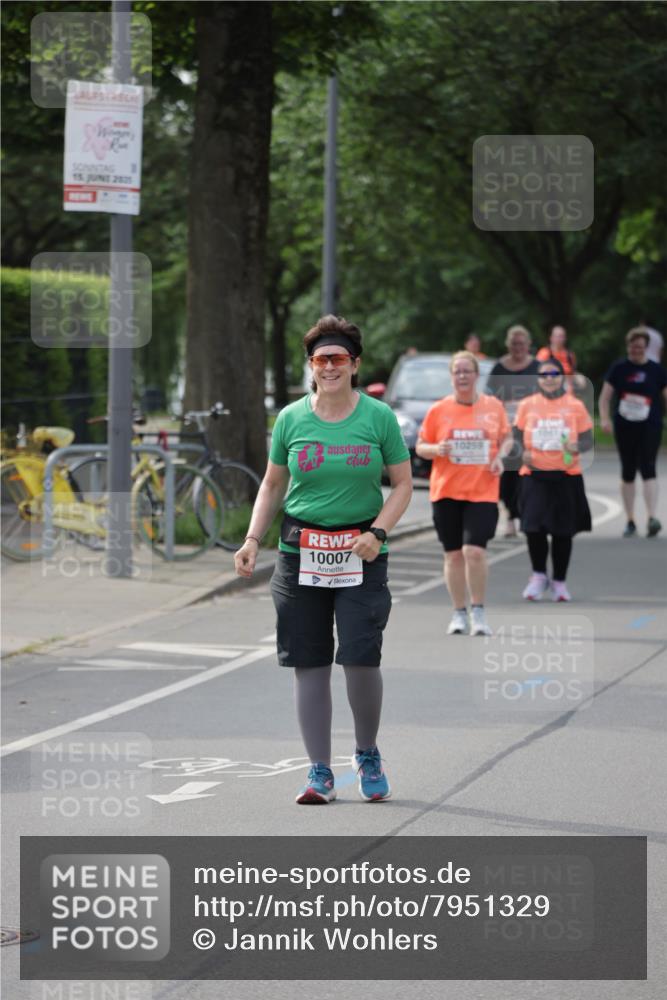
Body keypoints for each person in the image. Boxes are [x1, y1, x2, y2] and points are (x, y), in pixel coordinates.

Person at [234, 315, 412, 805]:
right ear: (311, 367)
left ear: (354, 365)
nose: (328, 368)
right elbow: (273, 484)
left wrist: (378, 532)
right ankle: (319, 773)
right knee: (308, 663)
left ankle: (367, 754)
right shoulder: (291, 419)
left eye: (337, 359)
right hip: (300, 554)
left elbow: (402, 485)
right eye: (319, 360)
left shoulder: (377, 418)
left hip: (361, 552)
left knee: (359, 657)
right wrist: (252, 540)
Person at [415, 350, 512, 636]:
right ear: (451, 377)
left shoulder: (493, 407)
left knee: (474, 552)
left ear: (476, 375)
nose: (462, 376)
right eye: (457, 371)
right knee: (454, 555)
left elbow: (506, 438)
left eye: (467, 371)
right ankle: (459, 613)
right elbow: (421, 446)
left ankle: (478, 611)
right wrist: (437, 449)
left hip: (482, 491)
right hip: (446, 491)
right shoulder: (439, 409)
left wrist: (500, 457)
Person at [515, 357, 593, 601]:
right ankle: (538, 576)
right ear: (538, 379)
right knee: (533, 529)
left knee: (563, 532)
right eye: (544, 375)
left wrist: (576, 445)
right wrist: (521, 452)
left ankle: (559, 581)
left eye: (554, 374)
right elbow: (516, 437)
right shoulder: (527, 404)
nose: (549, 379)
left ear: (562, 377)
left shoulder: (574, 405)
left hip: (566, 476)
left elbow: (588, 439)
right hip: (534, 475)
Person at [599, 327, 667, 538]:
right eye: (632, 346)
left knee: (648, 467)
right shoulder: (619, 368)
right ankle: (630, 519)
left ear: (646, 348)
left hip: (650, 424)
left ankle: (652, 517)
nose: (636, 350)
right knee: (628, 470)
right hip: (625, 424)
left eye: (640, 347)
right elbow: (605, 398)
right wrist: (604, 418)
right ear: (628, 347)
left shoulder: (656, 370)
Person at [486, 325, 540, 537]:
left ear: (528, 345)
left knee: (527, 474)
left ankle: (525, 515)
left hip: (531, 430)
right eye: (514, 344)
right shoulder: (499, 368)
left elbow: (547, 393)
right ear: (509, 345)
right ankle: (511, 516)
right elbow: (489, 396)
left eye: (522, 344)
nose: (518, 348)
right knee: (508, 475)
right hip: (505, 429)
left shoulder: (537, 367)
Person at [536, 325, 585, 390]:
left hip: (569, 392)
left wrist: (579, 377)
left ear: (565, 338)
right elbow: (538, 373)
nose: (559, 339)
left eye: (562, 336)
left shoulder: (569, 355)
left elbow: (573, 372)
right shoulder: (544, 353)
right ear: (551, 338)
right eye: (557, 336)